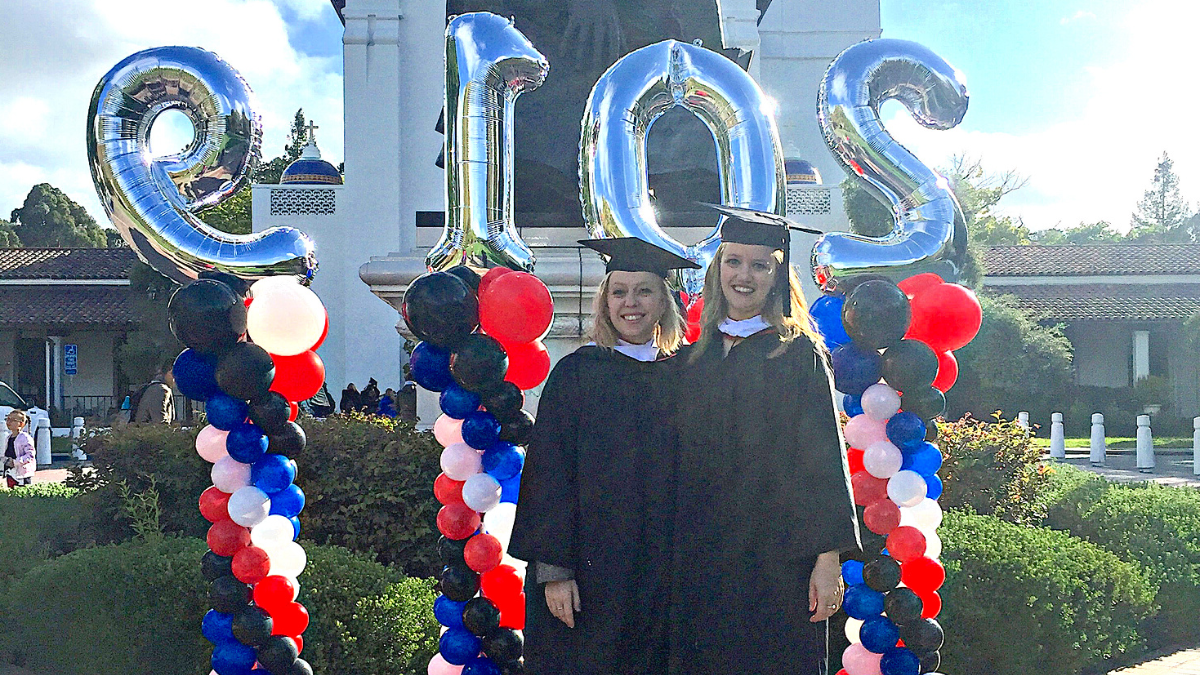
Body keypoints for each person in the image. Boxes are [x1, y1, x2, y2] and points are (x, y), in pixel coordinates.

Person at [669, 206, 861, 674]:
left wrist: (827, 559)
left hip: (778, 560)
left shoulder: (797, 355)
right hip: (700, 557)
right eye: (733, 261)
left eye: (759, 264)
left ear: (777, 276)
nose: (744, 275)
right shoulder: (694, 357)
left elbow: (823, 462)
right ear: (718, 270)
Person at [510, 237, 699, 675]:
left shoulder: (689, 374)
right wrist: (554, 570)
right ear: (605, 302)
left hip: (666, 573)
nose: (630, 304)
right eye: (619, 292)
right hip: (589, 575)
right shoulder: (578, 373)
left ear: (664, 302)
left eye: (644, 291)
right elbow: (549, 475)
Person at [3, 410, 36, 488]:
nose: (9, 422)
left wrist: (16, 462)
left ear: (21, 424)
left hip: (22, 473)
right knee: (11, 494)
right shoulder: (8, 437)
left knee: (23, 494)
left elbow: (30, 456)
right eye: (8, 419)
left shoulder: (25, 438)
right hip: (10, 472)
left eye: (13, 420)